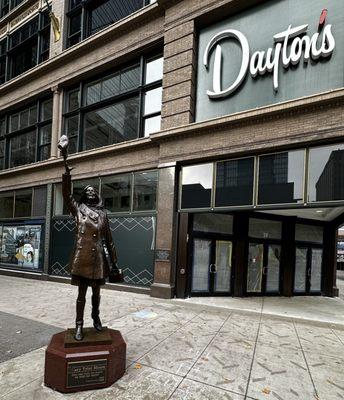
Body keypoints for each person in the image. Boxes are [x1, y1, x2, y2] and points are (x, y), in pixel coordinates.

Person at [60, 136, 119, 341]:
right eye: (88, 191)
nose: (92, 193)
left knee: (96, 294)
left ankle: (96, 319)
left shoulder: (103, 213)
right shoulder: (78, 210)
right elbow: (67, 195)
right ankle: (79, 325)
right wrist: (66, 169)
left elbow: (109, 239)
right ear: (84, 196)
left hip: (98, 260)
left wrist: (115, 262)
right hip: (83, 258)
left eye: (94, 191)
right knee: (81, 295)